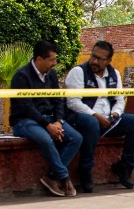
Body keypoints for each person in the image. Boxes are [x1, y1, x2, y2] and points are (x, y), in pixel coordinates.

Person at [64, 39, 134, 189]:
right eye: (93, 56)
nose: (94, 61)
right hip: (81, 119)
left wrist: (115, 114)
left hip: (108, 119)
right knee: (91, 123)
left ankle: (125, 167)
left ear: (108, 60)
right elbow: (73, 102)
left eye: (100, 59)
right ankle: (85, 170)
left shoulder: (115, 74)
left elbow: (120, 99)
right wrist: (95, 115)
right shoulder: (79, 72)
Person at [10, 41, 84, 197]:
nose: (54, 63)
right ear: (39, 60)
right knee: (45, 139)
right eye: (51, 60)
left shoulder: (52, 75)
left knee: (76, 138)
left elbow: (58, 99)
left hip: (49, 119)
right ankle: (64, 177)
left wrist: (58, 121)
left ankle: (52, 176)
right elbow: (27, 107)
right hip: (25, 121)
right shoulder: (21, 76)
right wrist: (47, 126)